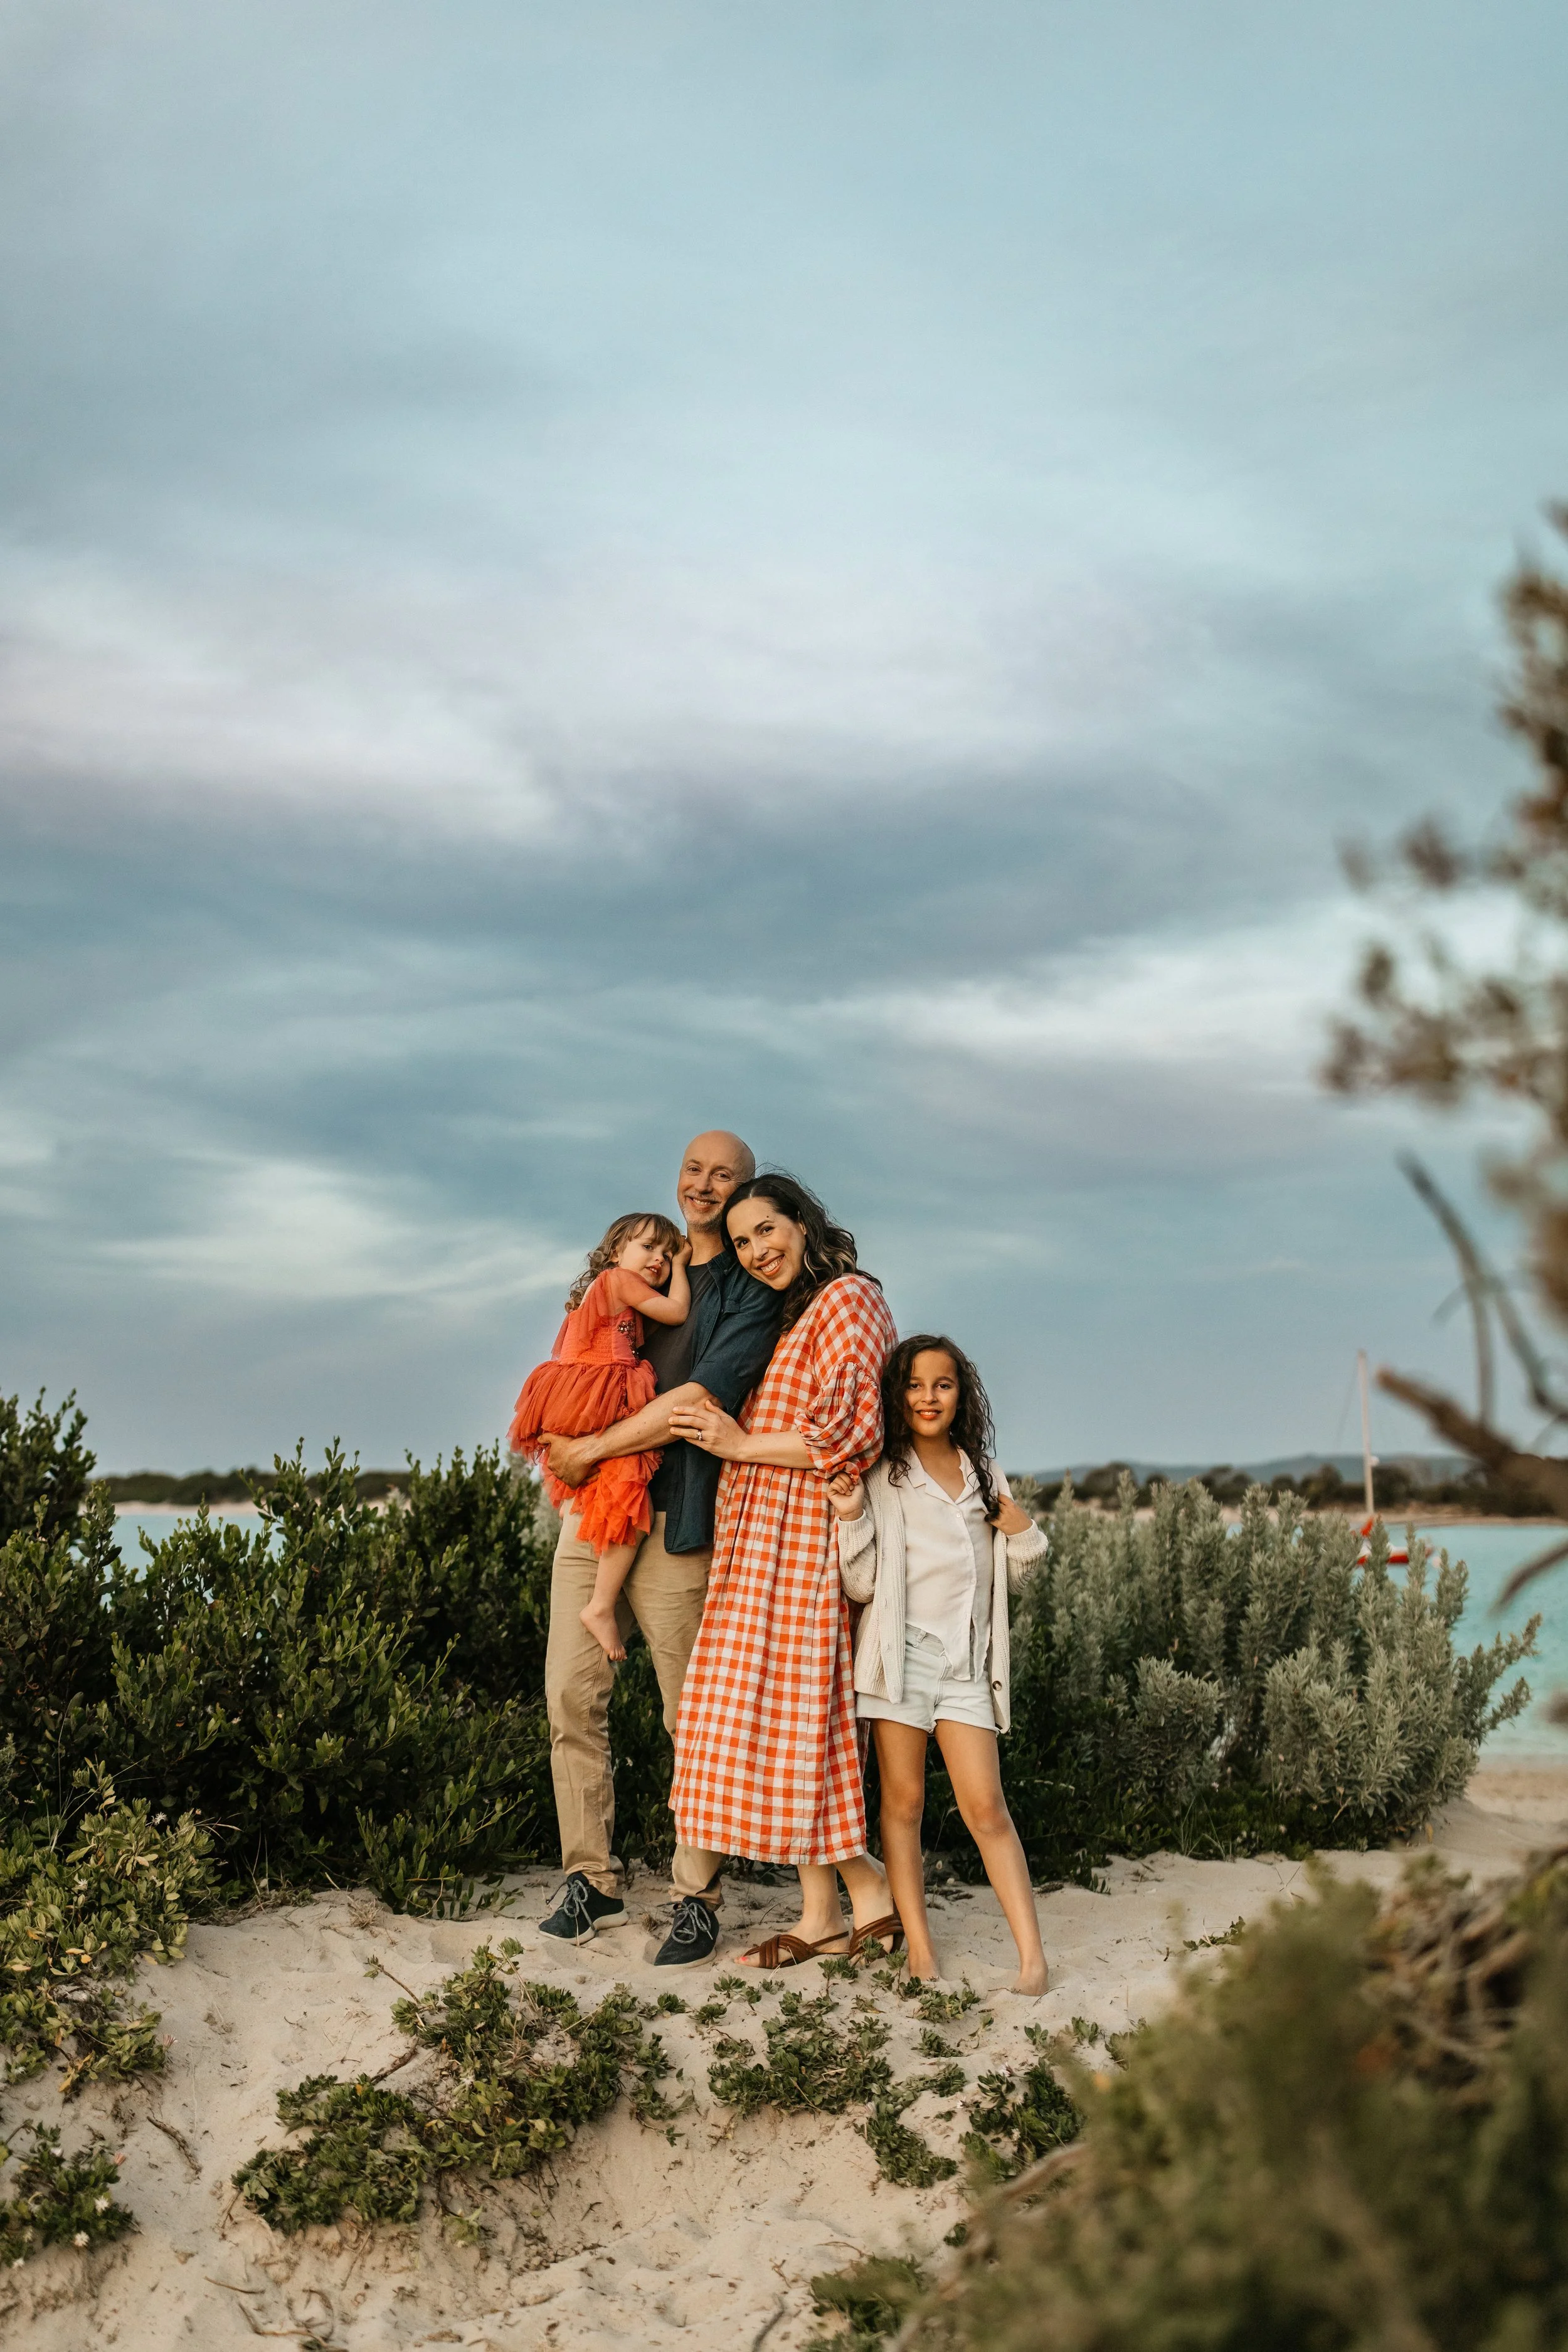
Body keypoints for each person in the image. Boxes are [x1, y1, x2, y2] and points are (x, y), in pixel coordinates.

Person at [532, 1132, 784, 1965]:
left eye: (723, 1174)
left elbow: (697, 1401)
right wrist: (570, 1451)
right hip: (599, 1512)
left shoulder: (747, 1290)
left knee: (692, 1718)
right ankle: (592, 1879)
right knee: (571, 1695)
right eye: (693, 1169)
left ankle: (697, 1895)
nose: (703, 1184)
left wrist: (590, 1446)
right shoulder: (639, 1272)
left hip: (678, 1519)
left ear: (744, 1190)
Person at [668, 1172, 901, 1967]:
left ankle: (863, 1889)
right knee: (781, 1724)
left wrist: (735, 1445)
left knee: (805, 1716)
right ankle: (822, 1909)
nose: (757, 1250)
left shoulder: (848, 1298)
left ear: (803, 1223)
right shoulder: (800, 1310)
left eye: (768, 1229)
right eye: (741, 1242)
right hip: (760, 1539)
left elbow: (849, 1434)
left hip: (803, 1540)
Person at [826, 1334, 1050, 1995]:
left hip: (965, 1664)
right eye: (916, 1385)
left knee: (986, 1810)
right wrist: (849, 1517)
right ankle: (919, 1949)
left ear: (962, 1394)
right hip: (902, 1661)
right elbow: (862, 1584)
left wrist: (1025, 1532)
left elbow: (1020, 1572)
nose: (929, 1397)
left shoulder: (984, 1472)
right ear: (898, 1395)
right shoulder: (884, 1476)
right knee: (902, 1804)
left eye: (943, 1384)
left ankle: (1032, 1959)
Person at [508, 1212, 691, 1661]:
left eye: (667, 1254)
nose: (660, 1259)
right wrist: (685, 1268)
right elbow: (678, 1311)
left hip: (584, 1398)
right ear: (615, 1252)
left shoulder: (605, 1291)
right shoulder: (617, 1282)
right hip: (597, 1399)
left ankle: (600, 1601)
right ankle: (601, 1605)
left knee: (610, 1496)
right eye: (648, 1247)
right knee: (633, 1498)